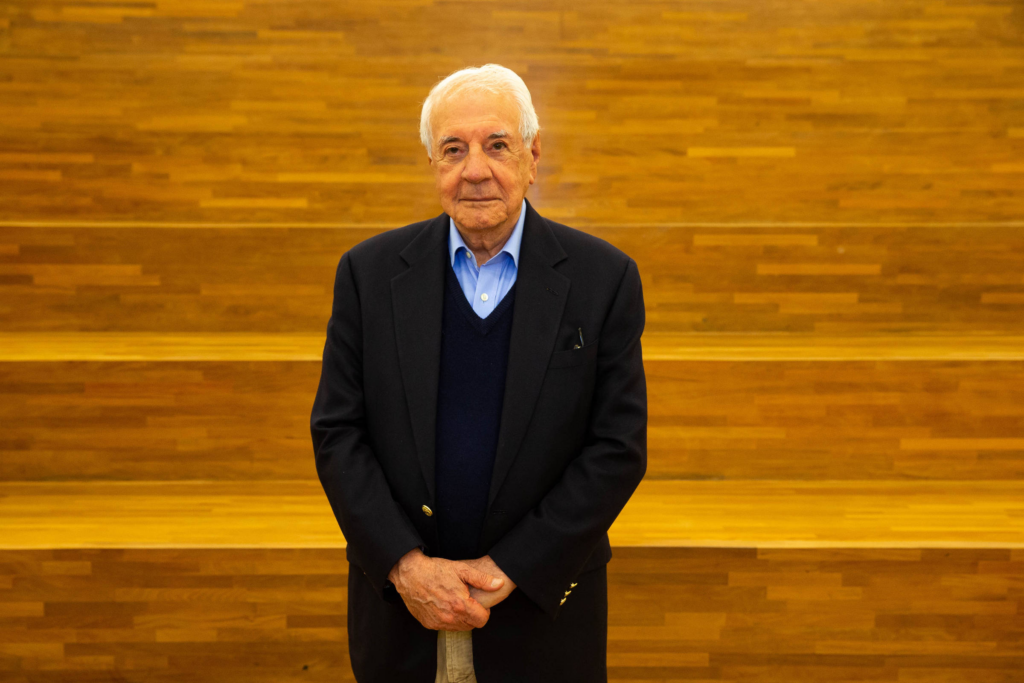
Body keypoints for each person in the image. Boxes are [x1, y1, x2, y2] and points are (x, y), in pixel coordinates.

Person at [310, 63, 647, 683]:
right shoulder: (367, 274)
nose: (474, 170)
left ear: (532, 157)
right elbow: (337, 434)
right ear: (432, 163)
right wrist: (406, 566)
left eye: (497, 145)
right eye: (453, 149)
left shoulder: (604, 280)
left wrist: (511, 566)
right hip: (400, 615)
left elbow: (617, 449)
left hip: (542, 618)